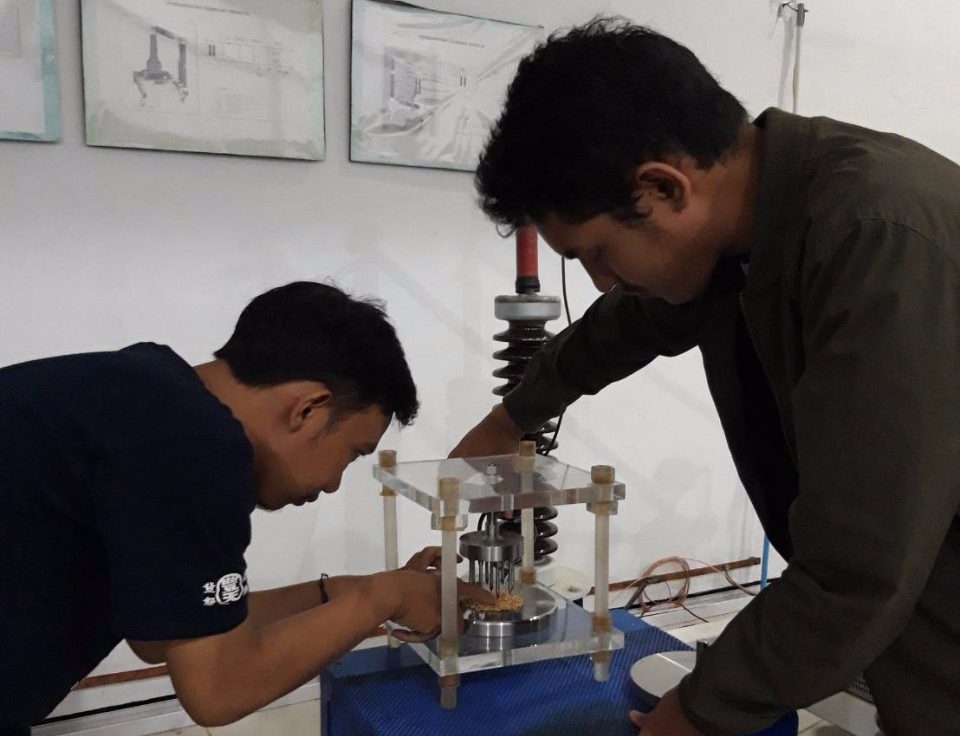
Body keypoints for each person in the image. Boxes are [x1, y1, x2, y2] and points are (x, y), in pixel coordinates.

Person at [450, 18, 960, 736]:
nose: (600, 281)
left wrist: (697, 713)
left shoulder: (874, 241)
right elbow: (625, 325)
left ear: (663, 187)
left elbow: (857, 568)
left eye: (598, 253)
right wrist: (511, 418)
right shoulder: (741, 235)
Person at [0, 281, 492, 732]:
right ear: (308, 408)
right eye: (351, 453)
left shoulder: (147, 397)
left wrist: (342, 592)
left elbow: (162, 636)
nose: (333, 484)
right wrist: (384, 598)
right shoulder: (194, 444)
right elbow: (218, 690)